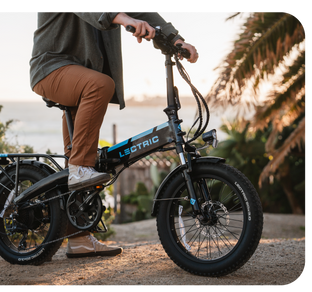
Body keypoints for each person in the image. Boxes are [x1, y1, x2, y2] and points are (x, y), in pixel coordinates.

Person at [30, 9, 198, 258]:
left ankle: (79, 238)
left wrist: (175, 39)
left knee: (84, 152)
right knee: (100, 86)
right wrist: (124, 19)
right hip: (50, 67)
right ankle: (79, 168)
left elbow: (141, 12)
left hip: (82, 72)